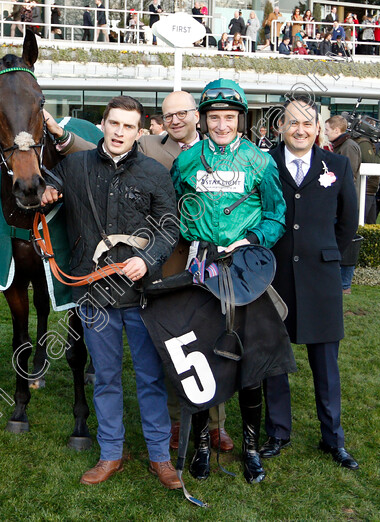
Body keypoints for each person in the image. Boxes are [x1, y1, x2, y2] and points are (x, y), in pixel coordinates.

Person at [40, 95, 182, 489]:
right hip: (95, 296)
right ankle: (111, 454)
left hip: (142, 295)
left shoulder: (154, 173)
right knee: (104, 378)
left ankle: (159, 457)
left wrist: (148, 258)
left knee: (151, 377)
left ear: (139, 132)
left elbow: (170, 226)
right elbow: (42, 186)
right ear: (103, 124)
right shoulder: (74, 165)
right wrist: (47, 192)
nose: (120, 132)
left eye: (128, 126)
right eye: (114, 123)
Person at [168, 80, 288, 484]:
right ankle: (201, 445)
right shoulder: (186, 162)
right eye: (214, 117)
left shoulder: (260, 161)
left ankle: (252, 449)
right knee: (200, 355)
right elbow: (170, 212)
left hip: (244, 269)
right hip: (200, 267)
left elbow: (275, 215)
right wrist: (190, 232)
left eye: (229, 118)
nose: (222, 125)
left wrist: (252, 239)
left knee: (250, 358)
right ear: (203, 119)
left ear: (241, 119)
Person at [262, 96, 360, 471]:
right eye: (292, 123)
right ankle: (278, 433)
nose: (300, 129)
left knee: (326, 365)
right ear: (281, 127)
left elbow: (347, 222)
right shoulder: (265, 164)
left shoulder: (335, 165)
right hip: (275, 278)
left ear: (318, 128)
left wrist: (323, 255)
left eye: (307, 123)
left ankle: (333, 439)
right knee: (274, 360)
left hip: (321, 280)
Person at [325, 115, 361, 294]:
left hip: (343, 204)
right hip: (337, 203)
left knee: (347, 242)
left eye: (327, 130)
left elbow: (347, 177)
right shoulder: (341, 146)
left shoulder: (348, 147)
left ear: (337, 130)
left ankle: (345, 284)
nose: (325, 133)